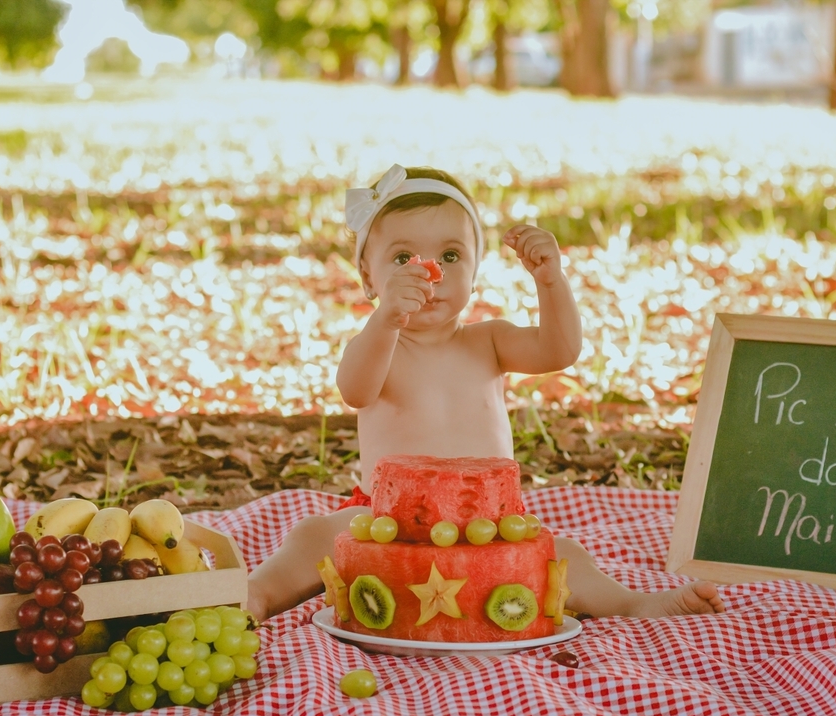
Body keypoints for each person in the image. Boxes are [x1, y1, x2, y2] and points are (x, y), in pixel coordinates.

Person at [246, 164, 725, 622]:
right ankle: (258, 594)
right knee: (314, 535)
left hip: (488, 526)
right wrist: (387, 318)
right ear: (370, 278)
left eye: (451, 257)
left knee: (565, 556)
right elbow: (354, 390)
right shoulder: (378, 345)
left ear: (474, 272)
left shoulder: (488, 340)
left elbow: (559, 351)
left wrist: (550, 282)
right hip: (387, 524)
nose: (430, 272)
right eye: (402, 259)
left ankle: (632, 605)